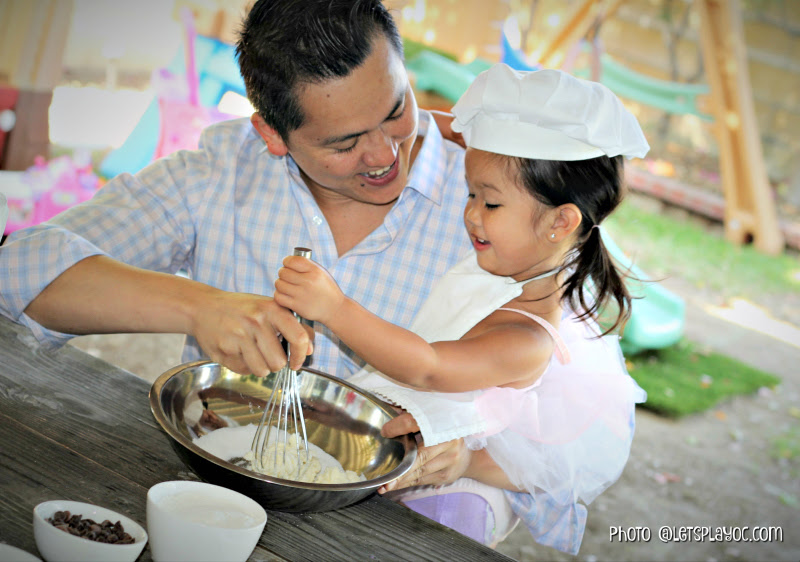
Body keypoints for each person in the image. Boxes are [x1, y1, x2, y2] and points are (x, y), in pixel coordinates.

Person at [0, 0, 532, 545]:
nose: (383, 154)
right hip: (214, 492)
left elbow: (565, 382)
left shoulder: (495, 202)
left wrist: (470, 454)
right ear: (272, 134)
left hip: (392, 519)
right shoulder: (222, 174)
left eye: (396, 109)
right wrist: (198, 306)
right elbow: (20, 268)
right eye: (344, 143)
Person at [274, 64, 649, 553]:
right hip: (420, 442)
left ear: (561, 222)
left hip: (461, 487)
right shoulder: (514, 266)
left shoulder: (527, 339)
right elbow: (457, 131)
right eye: (470, 193)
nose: (471, 213)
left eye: (489, 204)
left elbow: (428, 367)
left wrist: (335, 308)